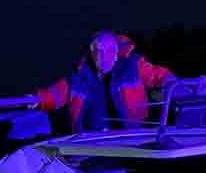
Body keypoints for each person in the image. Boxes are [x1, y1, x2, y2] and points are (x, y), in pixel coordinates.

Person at [34, 30, 176, 132]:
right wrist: (37, 99)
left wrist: (172, 83)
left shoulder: (132, 65)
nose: (103, 57)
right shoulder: (79, 76)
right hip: (90, 142)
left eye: (109, 51)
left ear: (117, 52)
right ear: (91, 53)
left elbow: (159, 75)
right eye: (98, 51)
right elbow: (56, 94)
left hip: (131, 137)